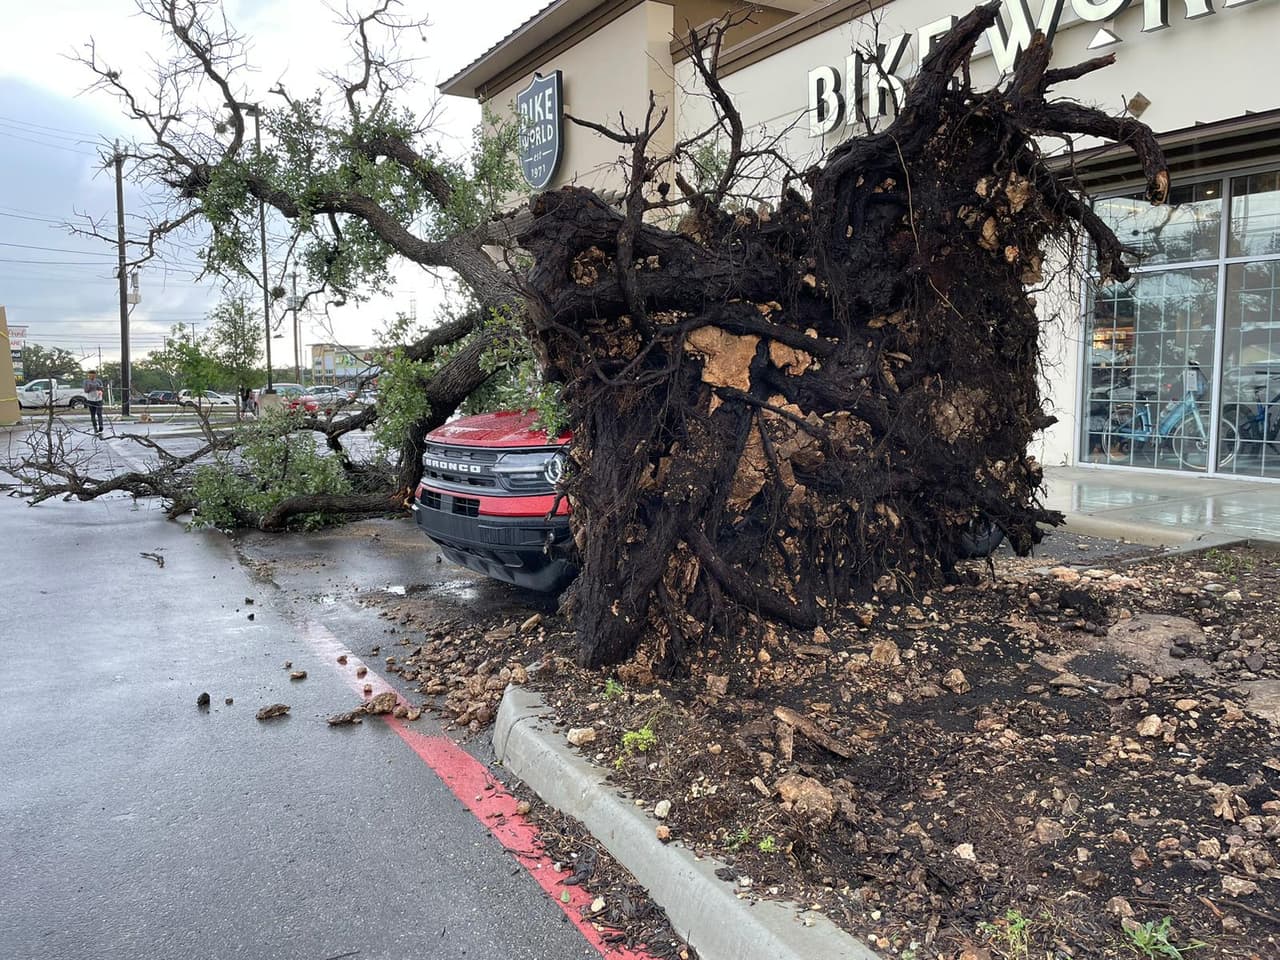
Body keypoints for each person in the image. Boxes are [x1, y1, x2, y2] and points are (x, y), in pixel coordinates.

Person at [83, 369, 105, 435]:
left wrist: (98, 387)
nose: (91, 377)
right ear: (88, 376)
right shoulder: (86, 381)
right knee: (93, 415)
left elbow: (102, 389)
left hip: (99, 399)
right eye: (90, 376)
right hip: (90, 400)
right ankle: (95, 427)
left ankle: (101, 426)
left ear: (95, 375)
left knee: (99, 413)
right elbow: (86, 390)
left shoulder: (98, 381)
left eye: (93, 376)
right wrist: (90, 387)